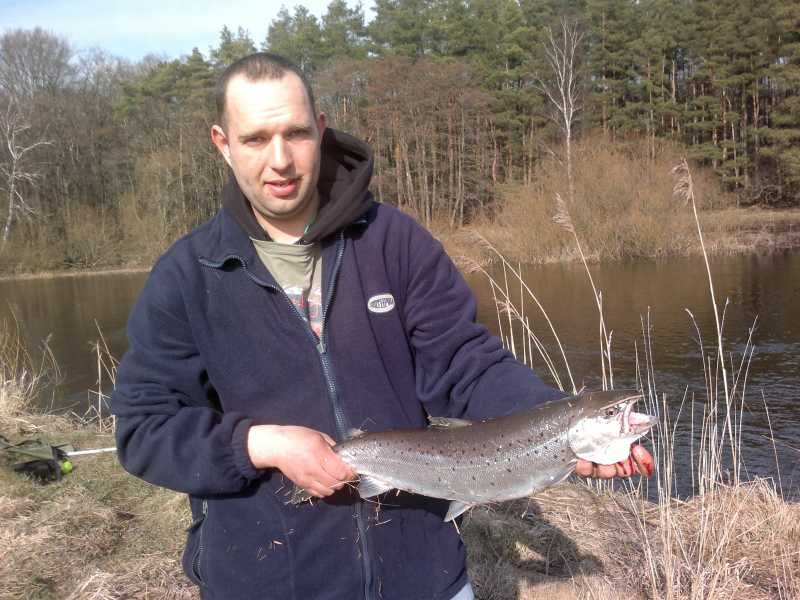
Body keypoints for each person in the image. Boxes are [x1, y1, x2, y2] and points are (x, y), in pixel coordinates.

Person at [112, 52, 652, 600]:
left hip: (423, 576)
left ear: (321, 130)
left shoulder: (393, 241)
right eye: (255, 139)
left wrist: (565, 424)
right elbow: (143, 430)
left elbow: (464, 362)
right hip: (265, 582)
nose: (280, 160)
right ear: (223, 143)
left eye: (296, 133)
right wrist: (260, 443)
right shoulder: (186, 277)